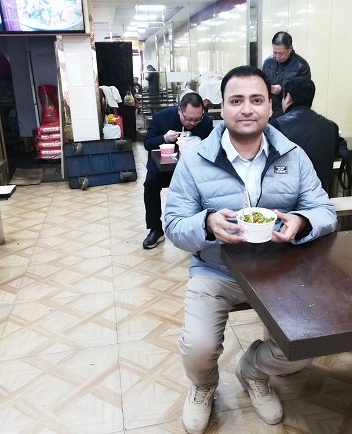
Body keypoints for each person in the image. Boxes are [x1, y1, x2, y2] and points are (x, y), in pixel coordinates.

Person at [164, 65, 337, 433]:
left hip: (279, 269)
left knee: (309, 341)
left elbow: (324, 210)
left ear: (271, 106)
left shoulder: (293, 155)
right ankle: (204, 385)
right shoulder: (195, 160)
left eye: (256, 100)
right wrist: (207, 224)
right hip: (217, 269)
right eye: (236, 100)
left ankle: (253, 370)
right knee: (198, 347)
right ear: (221, 109)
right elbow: (174, 226)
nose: (247, 109)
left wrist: (302, 223)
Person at [142, 92, 214, 249]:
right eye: (188, 119)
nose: (193, 123)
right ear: (180, 111)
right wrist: (164, 139)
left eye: (197, 119)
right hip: (163, 167)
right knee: (150, 184)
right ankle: (155, 229)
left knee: (207, 186)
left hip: (193, 169)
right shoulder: (162, 117)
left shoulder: (206, 122)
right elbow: (147, 143)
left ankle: (198, 227)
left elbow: (212, 147)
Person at [270, 77, 338, 195]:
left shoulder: (275, 126)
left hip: (288, 201)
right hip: (322, 197)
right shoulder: (331, 126)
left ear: (288, 98)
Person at [262, 31, 311, 120]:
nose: (277, 56)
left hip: (290, 115)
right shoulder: (268, 63)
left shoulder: (301, 66)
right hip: (269, 112)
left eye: (281, 53)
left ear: (290, 49)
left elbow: (304, 95)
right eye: (274, 52)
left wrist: (282, 91)